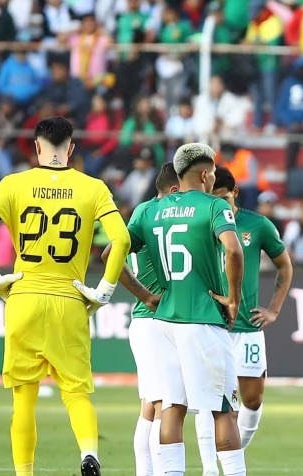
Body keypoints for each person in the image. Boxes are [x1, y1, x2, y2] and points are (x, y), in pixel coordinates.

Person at [0, 116, 134, 476]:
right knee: (76, 394)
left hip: (24, 296)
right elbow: (121, 240)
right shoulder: (93, 187)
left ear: (37, 147)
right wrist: (104, 291)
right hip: (70, 299)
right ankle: (89, 453)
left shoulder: (14, 184)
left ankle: (25, 474)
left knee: (23, 399)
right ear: (71, 149)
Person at [120, 143, 247, 476]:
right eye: (214, 173)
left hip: (163, 320)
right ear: (205, 174)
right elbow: (234, 252)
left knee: (172, 407)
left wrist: (145, 296)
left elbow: (109, 256)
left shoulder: (150, 210)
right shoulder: (214, 206)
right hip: (203, 318)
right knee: (224, 410)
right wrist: (233, 300)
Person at [191, 165, 293, 472]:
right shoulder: (202, 221)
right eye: (213, 198)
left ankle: (234, 453)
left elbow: (284, 267)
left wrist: (273, 309)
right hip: (211, 323)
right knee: (210, 400)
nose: (219, 204)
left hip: (247, 327)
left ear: (235, 193)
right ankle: (214, 467)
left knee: (252, 400)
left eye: (223, 197)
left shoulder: (257, 225)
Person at [116, 163, 178, 476]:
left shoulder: (142, 212)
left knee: (150, 406)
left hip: (147, 321)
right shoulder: (163, 216)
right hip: (153, 320)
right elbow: (112, 259)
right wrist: (147, 296)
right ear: (174, 190)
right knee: (162, 406)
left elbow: (117, 255)